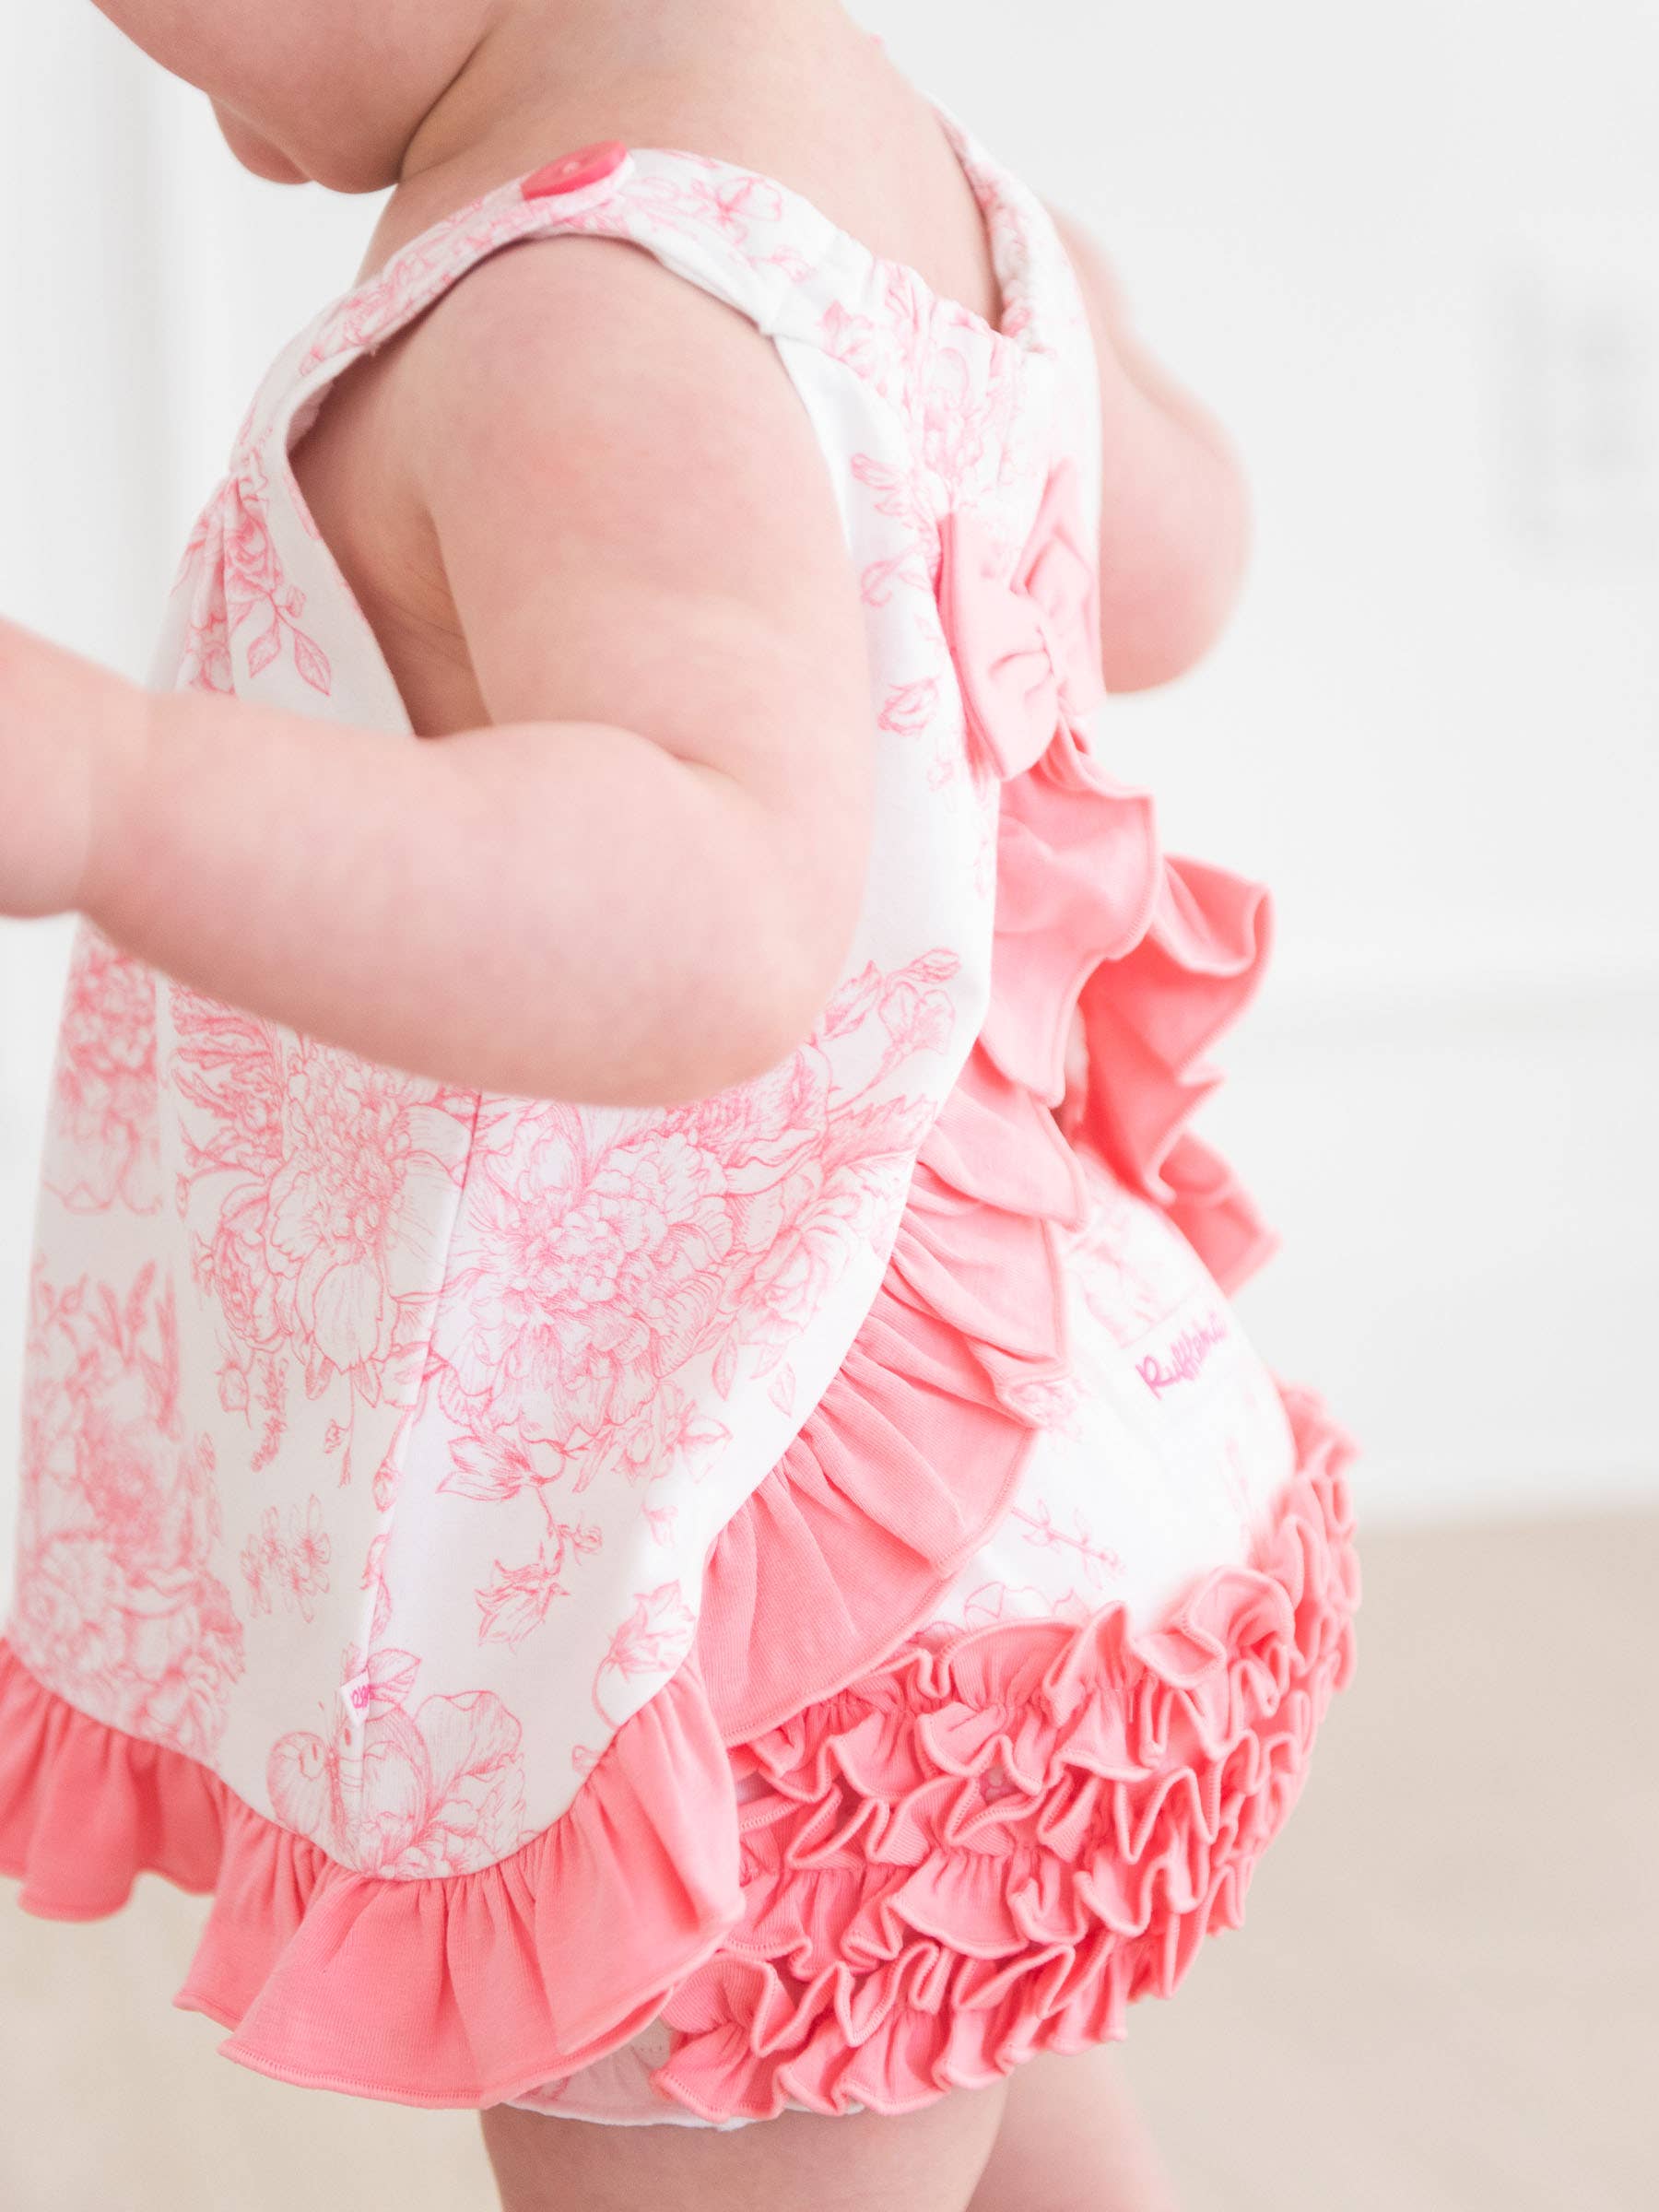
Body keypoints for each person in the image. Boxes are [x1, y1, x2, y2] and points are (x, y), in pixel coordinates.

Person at [0, 5, 1362, 2206]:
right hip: (1025, 1421)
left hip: (753, 1546)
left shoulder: (577, 307)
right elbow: (1175, 569)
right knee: (980, 2109)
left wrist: (116, 795)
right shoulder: (902, 167)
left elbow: (721, 922)